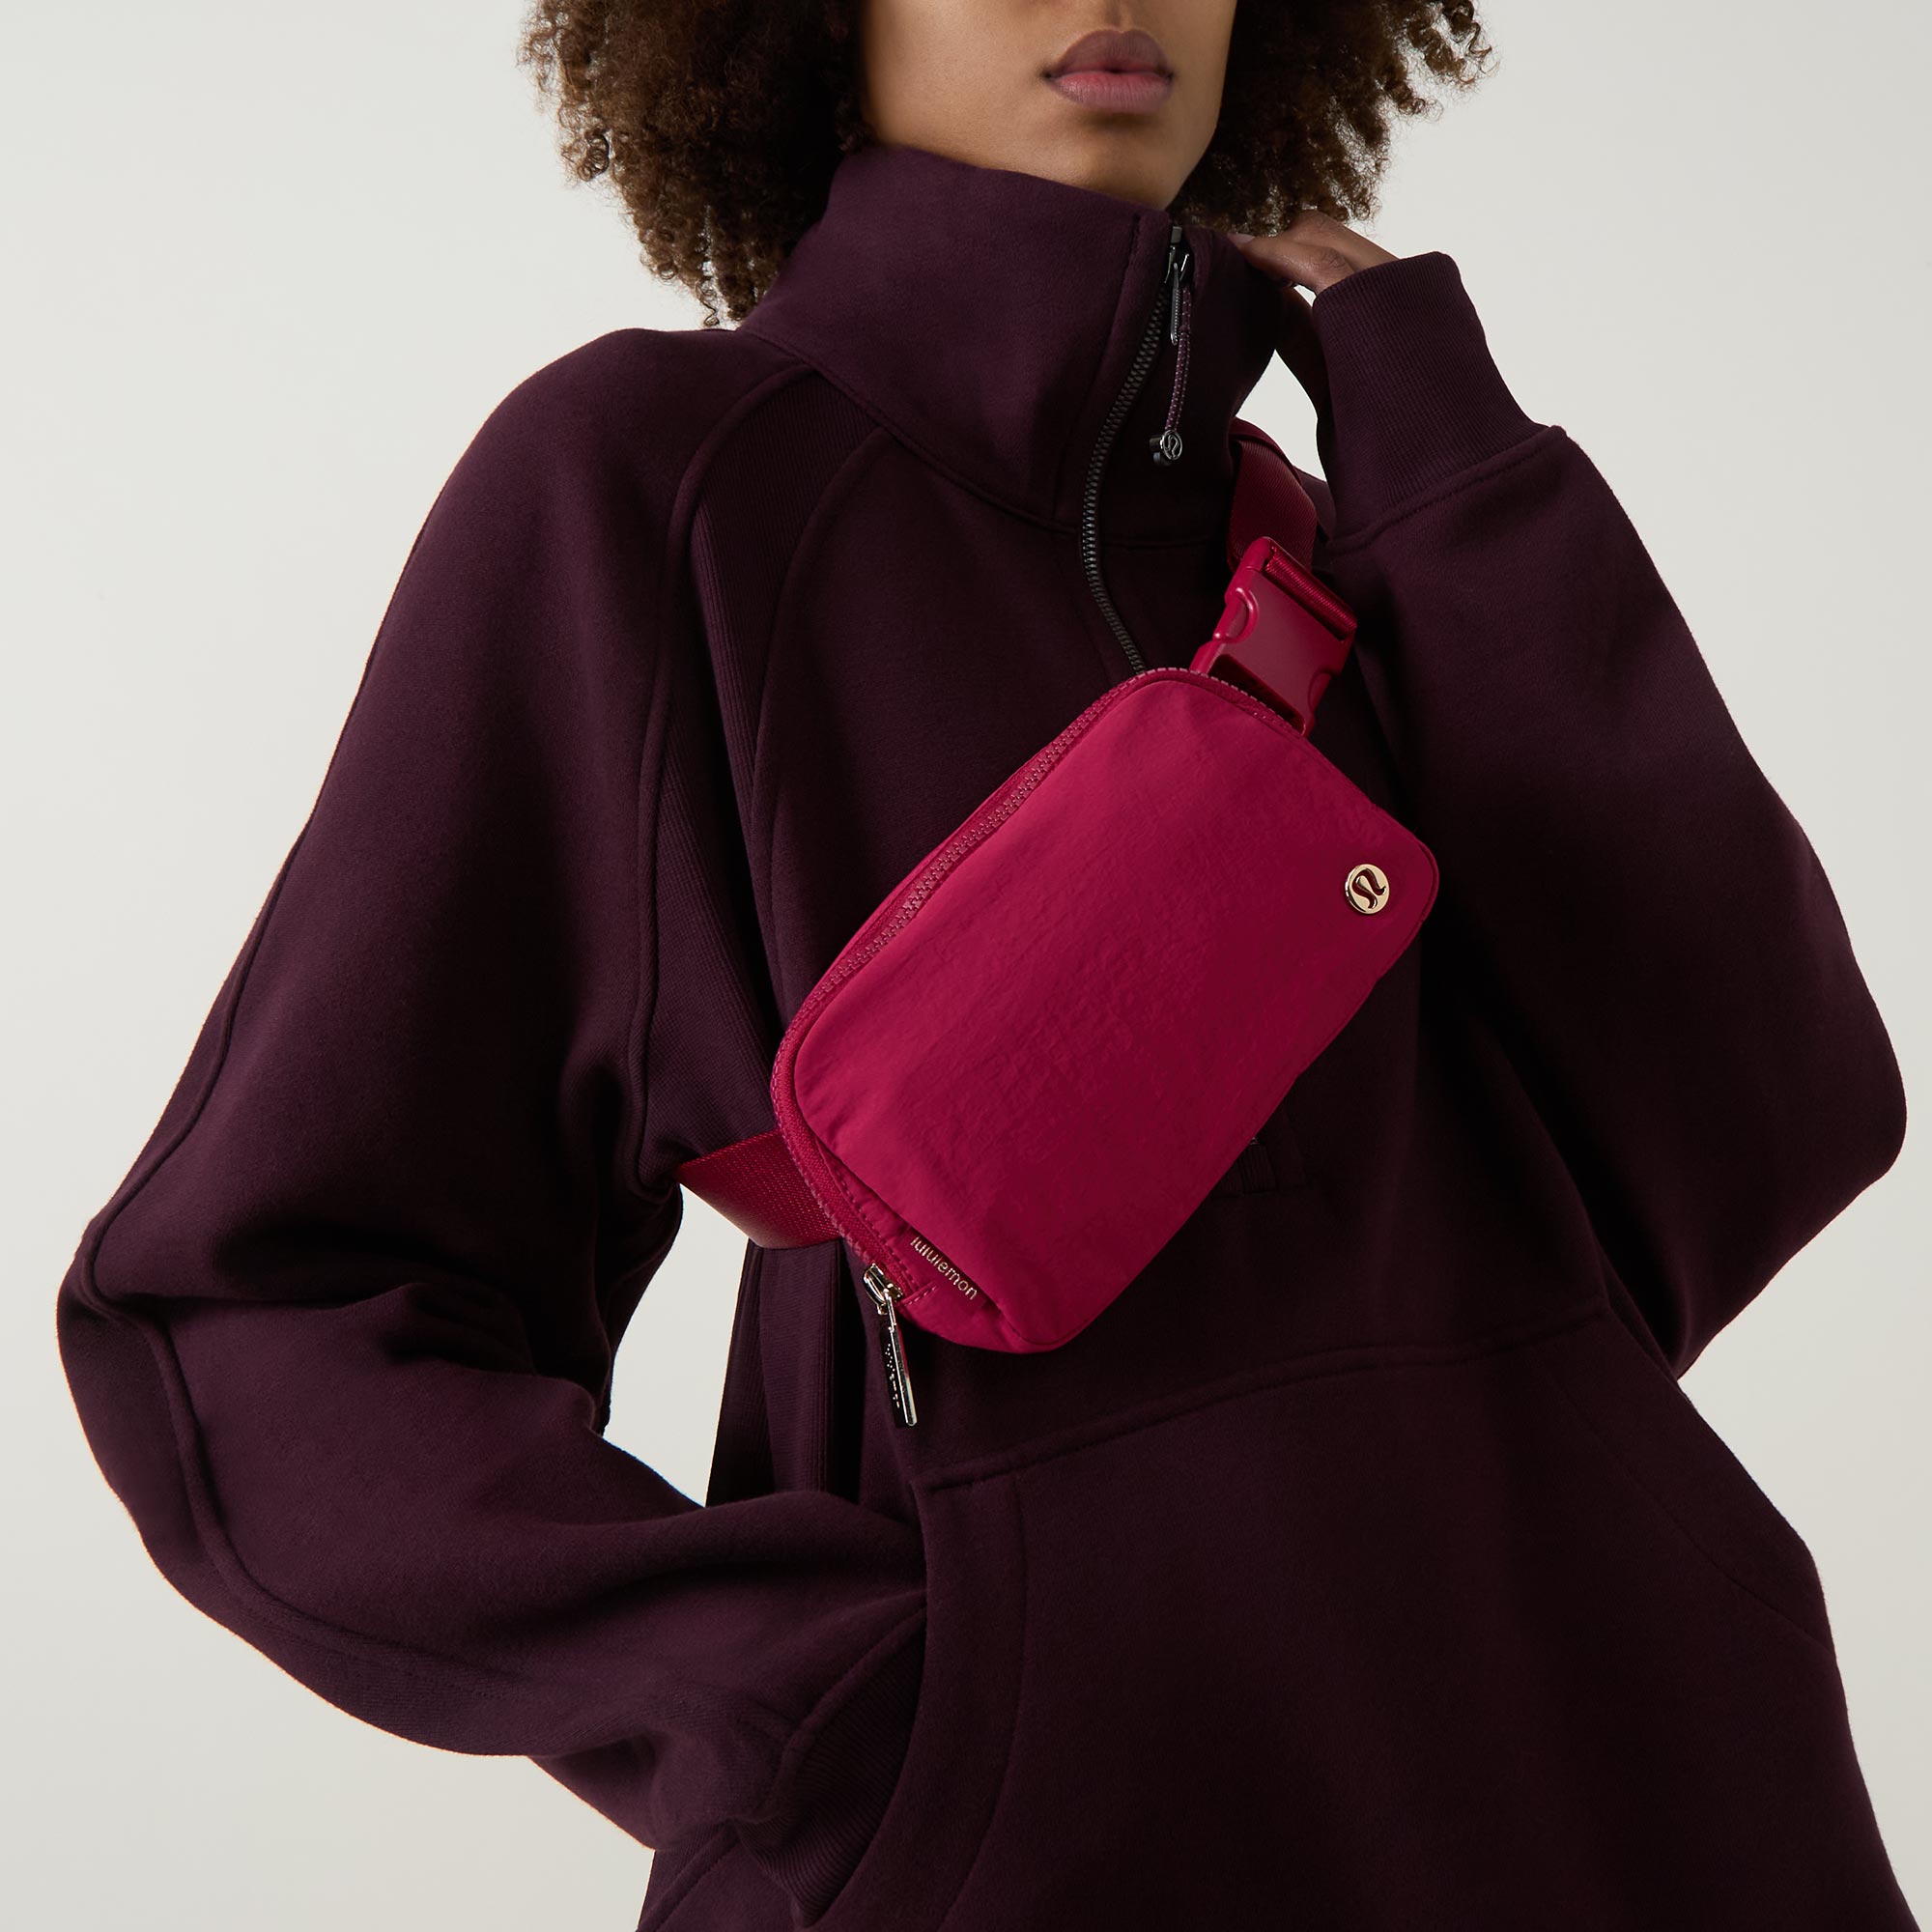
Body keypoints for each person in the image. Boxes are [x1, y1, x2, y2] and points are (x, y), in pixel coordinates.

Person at [56, 3, 1917, 1928]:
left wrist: (1457, 468)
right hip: (1054, 1863)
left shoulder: (1351, 549)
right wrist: (842, 1723)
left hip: (1647, 1796)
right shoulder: (658, 491)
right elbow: (255, 1308)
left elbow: (1753, 1135)